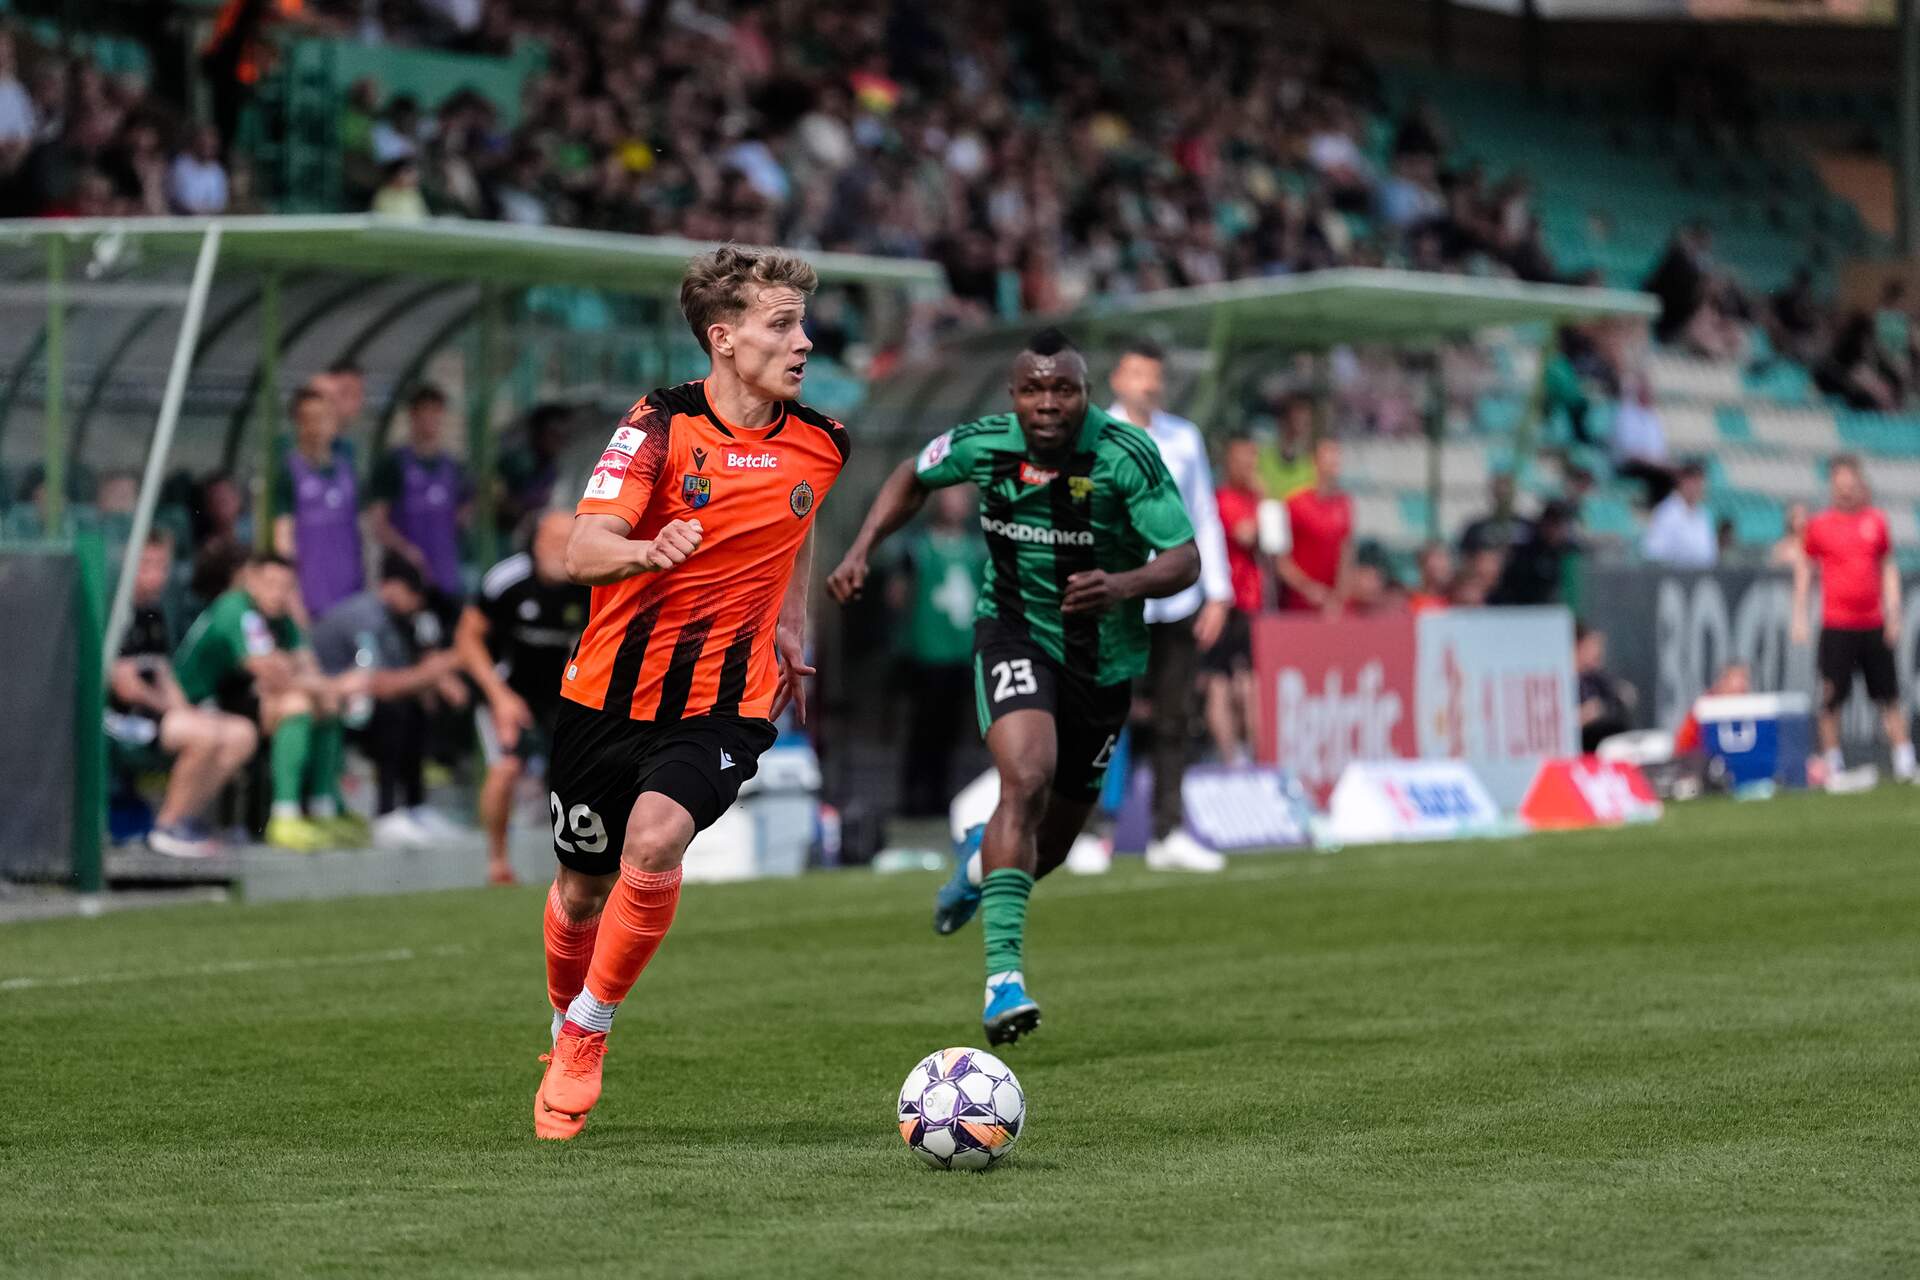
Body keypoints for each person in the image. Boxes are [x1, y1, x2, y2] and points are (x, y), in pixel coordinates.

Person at [534, 246, 847, 1141]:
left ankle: (589, 1031)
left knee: (657, 835)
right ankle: (563, 1019)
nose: (804, 343)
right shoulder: (657, 428)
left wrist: (791, 622)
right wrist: (646, 549)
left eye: (802, 323)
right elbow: (581, 549)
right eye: (781, 325)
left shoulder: (823, 441)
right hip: (607, 694)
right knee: (580, 891)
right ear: (724, 338)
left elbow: (798, 518)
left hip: (727, 698)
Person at [827, 328, 1200, 1047]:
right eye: (1034, 390)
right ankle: (1003, 981)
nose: (1048, 403)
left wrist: (1121, 583)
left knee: (1048, 846)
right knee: (1025, 778)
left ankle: (976, 863)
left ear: (1086, 394)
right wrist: (862, 547)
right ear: (1013, 395)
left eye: (1063, 389)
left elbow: (1183, 558)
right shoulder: (985, 443)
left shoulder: (1126, 455)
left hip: (1104, 658)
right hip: (1014, 630)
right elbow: (912, 473)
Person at [1105, 340, 1233, 873]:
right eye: (1139, 373)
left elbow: (1203, 513)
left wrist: (1218, 592)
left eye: (1155, 375)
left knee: (1175, 718)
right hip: (1117, 598)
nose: (1149, 384)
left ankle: (1168, 832)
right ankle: (1089, 831)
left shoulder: (1184, 438)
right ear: (1118, 379)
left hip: (1178, 599)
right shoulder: (1097, 437)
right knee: (1102, 715)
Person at [173, 553, 362, 851]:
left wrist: (323, 685)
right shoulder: (235, 608)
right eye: (270, 583)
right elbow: (270, 672)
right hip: (196, 703)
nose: (278, 593)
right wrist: (336, 685)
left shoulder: (282, 618)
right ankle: (285, 816)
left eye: (286, 586)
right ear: (251, 580)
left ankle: (323, 808)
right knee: (297, 705)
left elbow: (307, 665)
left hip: (241, 700)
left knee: (328, 705)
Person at [456, 511, 590, 886]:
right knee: (506, 767)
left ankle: (578, 865)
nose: (563, 550)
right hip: (507, 690)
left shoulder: (589, 582)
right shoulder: (507, 581)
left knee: (578, 773)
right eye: (556, 541)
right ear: (537, 542)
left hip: (562, 693)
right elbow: (467, 638)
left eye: (570, 541)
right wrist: (500, 698)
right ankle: (497, 862)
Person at [106, 533, 259, 857]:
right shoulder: (116, 611)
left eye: (162, 565)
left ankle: (184, 818)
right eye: (146, 564)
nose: (156, 574)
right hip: (118, 721)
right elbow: (125, 687)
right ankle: (166, 827)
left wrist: (184, 709)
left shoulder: (154, 611)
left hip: (157, 716)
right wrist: (174, 712)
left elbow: (163, 673)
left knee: (242, 734)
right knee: (203, 734)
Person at [310, 554, 467, 847]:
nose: (418, 602)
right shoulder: (366, 617)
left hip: (355, 704)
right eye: (412, 593)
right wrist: (438, 669)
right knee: (392, 712)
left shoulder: (401, 619)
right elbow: (378, 685)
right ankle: (386, 813)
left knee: (416, 709)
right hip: (329, 703)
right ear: (392, 586)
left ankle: (415, 807)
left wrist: (435, 677)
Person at [1791, 454, 1914, 784]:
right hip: (1837, 624)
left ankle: (1904, 759)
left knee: (1888, 695)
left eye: (1850, 484)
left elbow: (1887, 567)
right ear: (1832, 486)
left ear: (1859, 485)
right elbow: (1805, 569)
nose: (1846, 490)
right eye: (1840, 484)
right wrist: (1799, 614)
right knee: (1832, 697)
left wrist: (1894, 612)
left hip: (1872, 622)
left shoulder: (1876, 521)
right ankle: (1834, 763)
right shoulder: (1819, 526)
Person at [888, 485, 987, 817]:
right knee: (922, 727)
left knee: (951, 729)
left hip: (962, 652)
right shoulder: (917, 548)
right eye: (950, 496)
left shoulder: (977, 551)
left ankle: (940, 794)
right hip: (926, 653)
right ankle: (912, 795)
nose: (956, 504)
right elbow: (897, 595)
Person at [367, 384, 472, 597]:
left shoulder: (453, 467)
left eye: (435, 412)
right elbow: (378, 523)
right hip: (405, 576)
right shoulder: (393, 464)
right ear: (412, 415)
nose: (430, 419)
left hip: (445, 573)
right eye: (424, 412)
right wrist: (407, 551)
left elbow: (465, 513)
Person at [272, 387, 364, 619]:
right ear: (298, 424)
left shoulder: (348, 469)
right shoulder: (289, 472)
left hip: (352, 593)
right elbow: (283, 539)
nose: (317, 427)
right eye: (309, 419)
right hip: (310, 598)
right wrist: (291, 595)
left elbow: (364, 530)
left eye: (323, 417)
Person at [1207, 433, 1267, 764]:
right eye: (1242, 459)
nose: (1248, 466)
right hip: (1227, 601)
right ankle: (1230, 756)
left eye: (1252, 459)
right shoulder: (1222, 499)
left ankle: (1251, 755)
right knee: (1220, 681)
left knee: (1248, 681)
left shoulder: (1255, 500)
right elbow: (1246, 534)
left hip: (1252, 602)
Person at [1275, 437, 1353, 613]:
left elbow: (1346, 553)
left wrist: (1339, 596)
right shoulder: (1295, 504)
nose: (1334, 462)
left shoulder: (1344, 504)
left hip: (1332, 606)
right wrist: (1308, 589)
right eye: (1329, 456)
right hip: (1299, 605)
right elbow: (1281, 561)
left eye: (1336, 456)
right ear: (1315, 462)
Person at [497, 402, 572, 544]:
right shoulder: (518, 463)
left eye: (564, 435)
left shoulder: (552, 467)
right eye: (553, 434)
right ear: (538, 433)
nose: (560, 441)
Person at [1641, 461, 1716, 569]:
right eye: (1693, 481)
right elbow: (1653, 552)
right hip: (1674, 575)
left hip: (1703, 574)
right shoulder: (1666, 512)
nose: (1697, 487)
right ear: (1682, 481)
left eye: (1700, 482)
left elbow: (1709, 553)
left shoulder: (1703, 514)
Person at [1576, 622, 1635, 753]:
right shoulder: (1564, 679)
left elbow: (1625, 693)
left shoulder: (1596, 677)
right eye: (1592, 646)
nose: (1598, 652)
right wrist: (1585, 714)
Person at [1257, 392, 1317, 500]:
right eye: (1297, 419)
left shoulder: (1310, 464)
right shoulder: (1261, 457)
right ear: (1283, 420)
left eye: (1306, 421)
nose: (1302, 423)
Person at [1408, 541, 1453, 613]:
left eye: (1443, 558)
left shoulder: (1458, 598)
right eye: (1438, 557)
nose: (1443, 564)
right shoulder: (1410, 600)